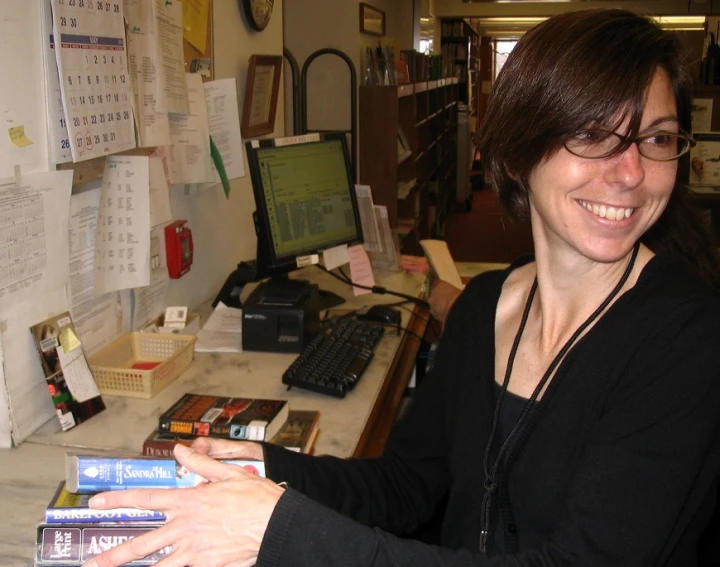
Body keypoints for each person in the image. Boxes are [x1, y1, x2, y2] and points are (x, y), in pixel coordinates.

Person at [85, 9, 720, 566]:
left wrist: (277, 531)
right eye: (594, 136)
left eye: (657, 138)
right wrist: (262, 471)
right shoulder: (482, 310)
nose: (631, 172)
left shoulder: (687, 341)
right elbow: (405, 485)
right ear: (522, 148)